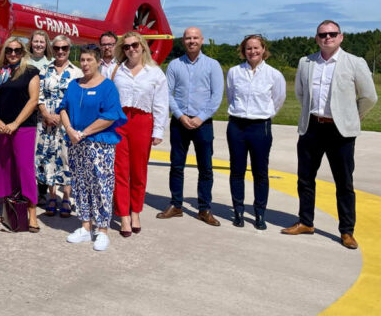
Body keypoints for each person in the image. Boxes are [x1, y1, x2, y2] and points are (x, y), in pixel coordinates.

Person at [282, 20, 377, 249]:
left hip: (340, 131)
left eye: (332, 34)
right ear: (316, 38)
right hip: (312, 127)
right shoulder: (306, 63)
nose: (327, 38)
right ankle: (306, 222)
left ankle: (347, 231)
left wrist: (351, 117)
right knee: (305, 178)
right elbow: (301, 94)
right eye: (322, 34)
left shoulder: (355, 62)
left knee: (344, 182)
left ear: (341, 37)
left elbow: (369, 97)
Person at [58, 46, 126, 251]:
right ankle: (85, 226)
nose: (85, 64)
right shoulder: (74, 85)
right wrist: (69, 129)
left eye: (89, 60)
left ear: (98, 62)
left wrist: (84, 132)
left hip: (99, 144)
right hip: (76, 142)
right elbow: (63, 108)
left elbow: (110, 115)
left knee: (101, 186)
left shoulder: (108, 87)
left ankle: (102, 229)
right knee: (80, 184)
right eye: (83, 60)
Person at [160, 27, 224, 226]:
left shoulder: (213, 65)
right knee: (176, 165)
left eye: (195, 38)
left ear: (202, 40)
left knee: (205, 168)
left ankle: (204, 209)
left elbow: (216, 96)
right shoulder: (174, 65)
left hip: (203, 123)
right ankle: (176, 204)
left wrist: (201, 117)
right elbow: (168, 93)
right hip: (180, 122)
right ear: (183, 41)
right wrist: (179, 115)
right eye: (188, 38)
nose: (191, 41)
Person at [111, 31, 169, 236]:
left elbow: (161, 103)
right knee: (119, 170)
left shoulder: (154, 73)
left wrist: (158, 130)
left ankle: (135, 211)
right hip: (120, 122)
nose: (131, 49)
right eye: (126, 47)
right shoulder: (116, 70)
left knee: (138, 170)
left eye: (134, 45)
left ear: (143, 46)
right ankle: (123, 216)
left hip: (143, 121)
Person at [226, 34, 285, 230]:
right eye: (249, 48)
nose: (253, 52)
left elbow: (278, 100)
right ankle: (238, 211)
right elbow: (231, 96)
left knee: (260, 172)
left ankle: (260, 213)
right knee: (237, 170)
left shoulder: (274, 74)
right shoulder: (234, 72)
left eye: (256, 48)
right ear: (243, 51)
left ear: (263, 50)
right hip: (237, 126)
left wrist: (263, 115)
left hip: (260, 127)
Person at [0, 38, 41, 232]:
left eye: (17, 50)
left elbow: (33, 100)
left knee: (25, 169)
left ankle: (32, 213)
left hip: (23, 127)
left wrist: (15, 124)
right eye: (9, 50)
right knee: (4, 168)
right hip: (1, 127)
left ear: (23, 52)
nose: (13, 53)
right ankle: (9, 210)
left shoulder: (30, 71)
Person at [36, 35, 82, 218]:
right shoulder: (44, 70)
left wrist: (63, 119)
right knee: (48, 159)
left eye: (64, 48)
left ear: (69, 50)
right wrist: (46, 114)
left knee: (66, 159)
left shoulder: (76, 72)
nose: (60, 51)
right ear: (52, 50)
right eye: (57, 48)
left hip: (67, 124)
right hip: (46, 123)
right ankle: (52, 196)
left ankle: (66, 198)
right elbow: (38, 95)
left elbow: (78, 100)